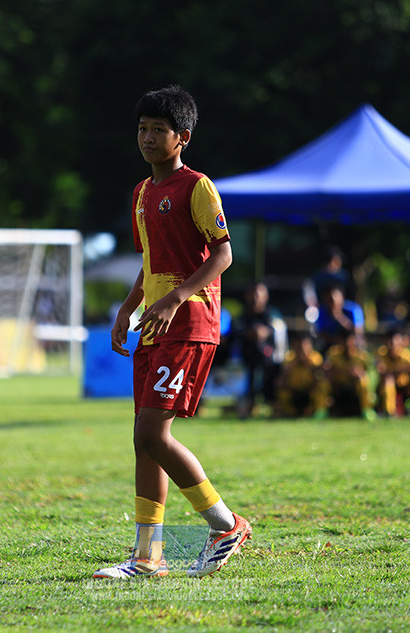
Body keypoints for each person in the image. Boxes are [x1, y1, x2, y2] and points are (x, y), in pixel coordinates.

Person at [94, 85, 250, 580]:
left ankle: (225, 524)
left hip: (189, 324)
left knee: (151, 432)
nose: (146, 136)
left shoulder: (197, 187)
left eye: (158, 129)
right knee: (145, 440)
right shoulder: (142, 193)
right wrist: (127, 307)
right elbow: (151, 263)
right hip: (154, 326)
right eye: (141, 128)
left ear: (181, 137)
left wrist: (177, 297)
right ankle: (147, 557)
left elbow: (223, 255)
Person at [235, 281, 288, 418]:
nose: (255, 297)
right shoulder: (243, 316)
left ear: (266, 296)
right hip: (246, 361)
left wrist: (265, 332)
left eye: (259, 294)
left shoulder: (273, 315)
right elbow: (237, 332)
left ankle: (274, 407)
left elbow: (280, 337)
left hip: (271, 362)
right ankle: (248, 407)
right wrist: (251, 333)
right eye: (252, 294)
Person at [374, 327, 410, 416]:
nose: (392, 345)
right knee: (388, 379)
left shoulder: (405, 354)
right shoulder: (381, 353)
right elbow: (381, 370)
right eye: (390, 341)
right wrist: (403, 369)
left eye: (395, 342)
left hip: (405, 387)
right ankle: (389, 413)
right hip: (385, 387)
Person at [273, 333, 327, 418]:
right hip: (293, 390)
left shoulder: (315, 358)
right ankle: (289, 413)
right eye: (298, 347)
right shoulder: (289, 358)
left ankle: (319, 413)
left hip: (310, 390)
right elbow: (280, 380)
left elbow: (319, 377)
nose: (302, 350)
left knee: (323, 386)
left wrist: (308, 365)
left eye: (305, 347)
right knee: (282, 392)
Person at [322, 330, 373, 418]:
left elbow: (372, 373)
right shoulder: (333, 353)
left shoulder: (362, 356)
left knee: (363, 380)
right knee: (323, 382)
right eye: (345, 341)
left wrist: (360, 373)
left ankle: (366, 410)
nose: (348, 344)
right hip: (338, 386)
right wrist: (345, 372)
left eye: (350, 340)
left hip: (355, 388)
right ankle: (321, 411)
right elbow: (326, 369)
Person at [313, 284, 365, 353]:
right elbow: (321, 333)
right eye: (328, 299)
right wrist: (339, 342)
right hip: (332, 345)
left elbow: (358, 332)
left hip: (352, 344)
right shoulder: (322, 311)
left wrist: (340, 317)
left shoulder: (353, 309)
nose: (331, 303)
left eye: (333, 299)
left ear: (342, 297)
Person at [303, 246, 352, 315]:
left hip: (340, 309)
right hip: (320, 308)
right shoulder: (318, 277)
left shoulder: (343, 276)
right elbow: (309, 293)